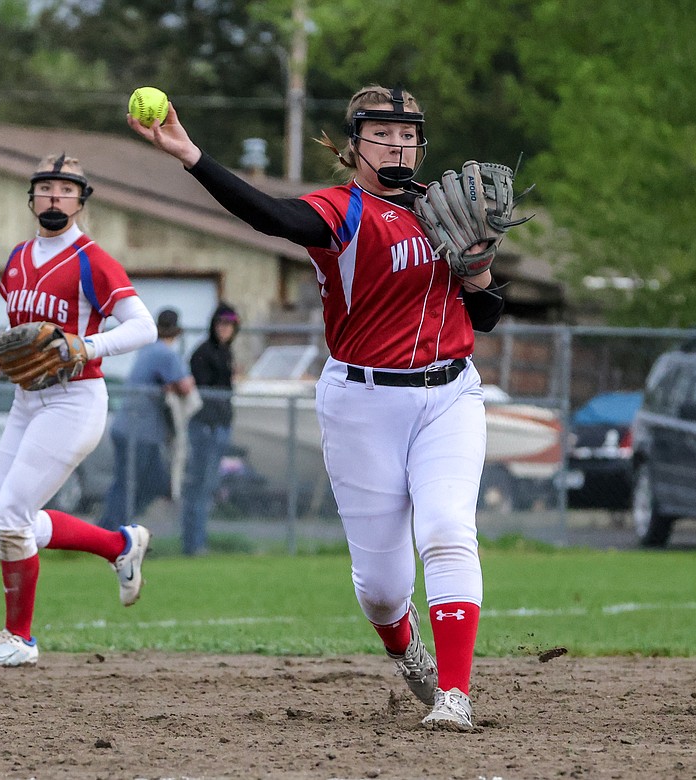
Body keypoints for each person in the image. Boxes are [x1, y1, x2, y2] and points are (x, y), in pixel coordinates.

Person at [128, 85, 506, 730]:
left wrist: (478, 274)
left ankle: (454, 695)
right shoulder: (341, 209)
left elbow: (488, 316)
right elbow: (272, 217)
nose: (398, 144)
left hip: (450, 394)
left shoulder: (446, 211)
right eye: (383, 133)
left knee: (446, 530)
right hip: (363, 402)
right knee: (383, 590)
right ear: (354, 143)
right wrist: (192, 155)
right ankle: (405, 648)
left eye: (409, 134)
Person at [0, 153, 158, 668]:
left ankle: (19, 639)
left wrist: (88, 345)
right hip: (28, 401)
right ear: (32, 197)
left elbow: (144, 327)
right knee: (9, 518)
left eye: (66, 189)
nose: (55, 197)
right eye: (46, 188)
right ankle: (119, 544)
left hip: (75, 401)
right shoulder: (17, 258)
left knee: (11, 516)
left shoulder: (91, 259)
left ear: (81, 199)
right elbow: (25, 334)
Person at [98, 308, 195, 530]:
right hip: (138, 432)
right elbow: (185, 386)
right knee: (127, 483)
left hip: (140, 431)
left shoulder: (148, 349)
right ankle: (108, 530)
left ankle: (123, 523)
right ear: (176, 332)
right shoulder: (165, 353)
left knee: (156, 482)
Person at [178, 303, 240, 555]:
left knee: (209, 485)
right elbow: (202, 391)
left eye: (230, 325)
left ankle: (198, 542)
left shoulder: (226, 353)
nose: (225, 329)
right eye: (221, 324)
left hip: (221, 426)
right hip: (205, 427)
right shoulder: (203, 352)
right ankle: (193, 544)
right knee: (199, 485)